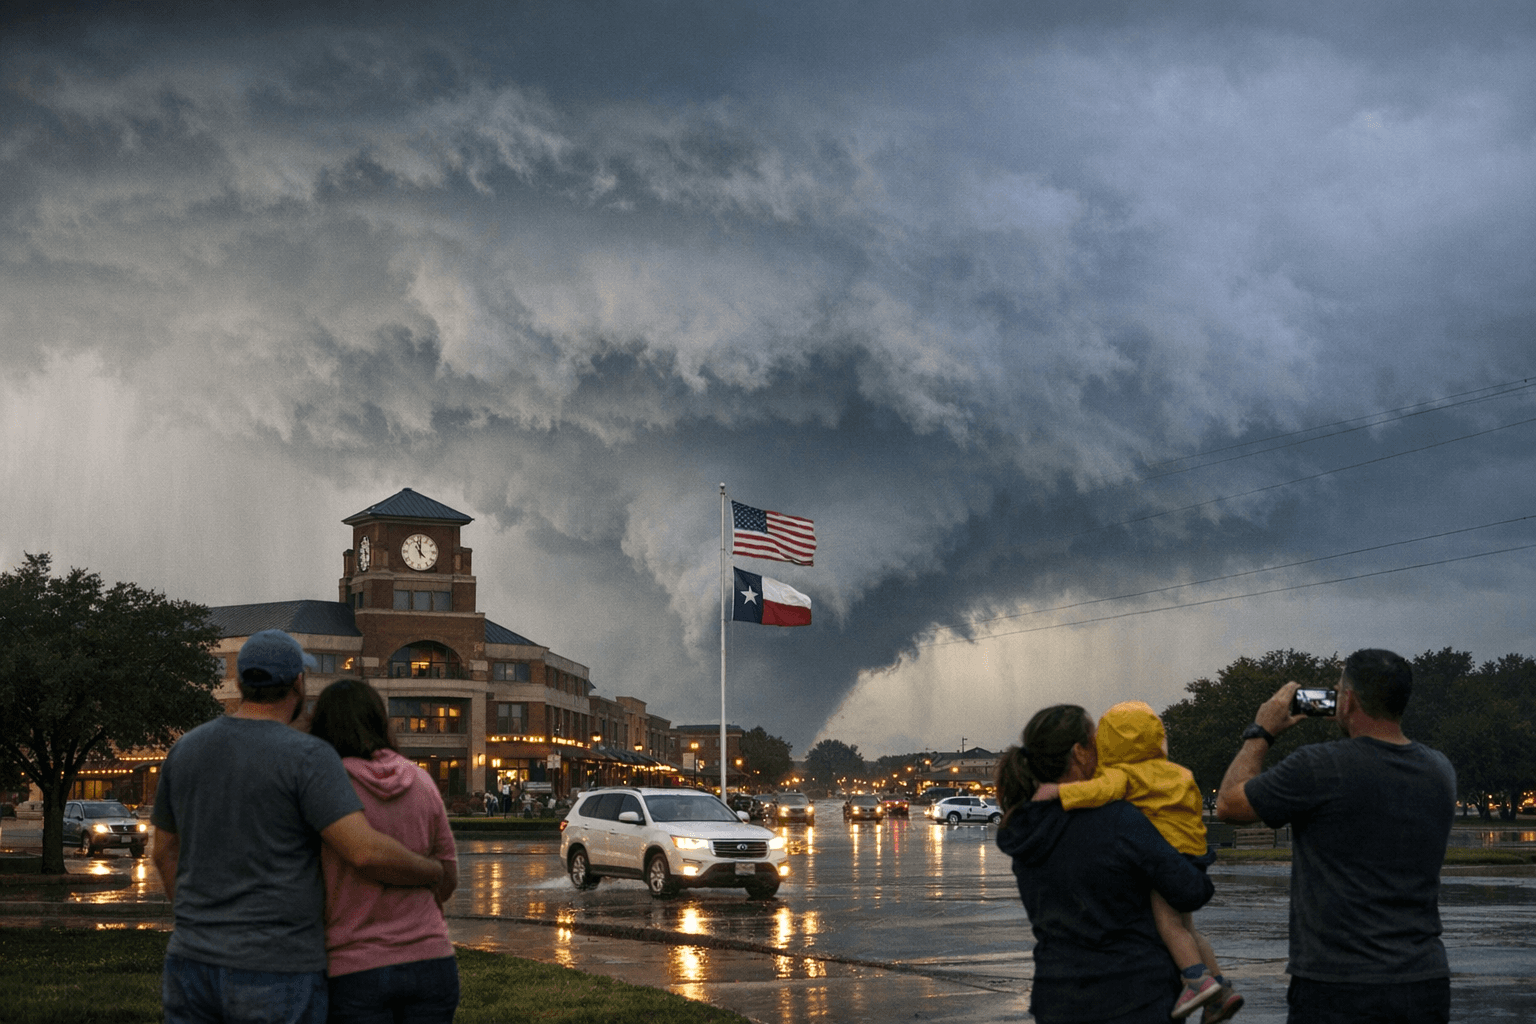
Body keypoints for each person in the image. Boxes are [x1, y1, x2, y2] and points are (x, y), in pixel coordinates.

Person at [151, 630, 445, 1024]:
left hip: (190, 962)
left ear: (240, 682)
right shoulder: (308, 756)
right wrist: (432, 871)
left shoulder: (185, 750)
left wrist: (195, 923)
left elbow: (163, 851)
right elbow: (365, 851)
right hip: (279, 965)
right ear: (298, 684)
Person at [1215, 649, 1457, 1024]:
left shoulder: (1319, 765)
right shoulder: (1441, 770)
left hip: (1337, 986)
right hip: (1423, 981)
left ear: (1347, 701)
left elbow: (1229, 805)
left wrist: (1261, 731)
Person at [996, 704, 1215, 1024]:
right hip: (1136, 999)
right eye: (1097, 744)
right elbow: (1191, 891)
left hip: (1057, 999)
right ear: (1080, 753)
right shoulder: (1118, 821)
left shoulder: (1024, 826)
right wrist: (1193, 854)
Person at [309, 678, 460, 1024]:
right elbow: (448, 880)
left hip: (354, 964)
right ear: (380, 720)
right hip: (432, 958)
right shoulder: (421, 781)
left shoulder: (325, 784)